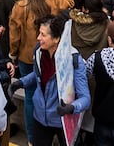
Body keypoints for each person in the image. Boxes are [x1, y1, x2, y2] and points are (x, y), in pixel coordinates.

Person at [18, 15, 91, 146]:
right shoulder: (39, 52)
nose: (38, 38)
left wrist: (71, 108)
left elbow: (85, 98)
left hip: (62, 122)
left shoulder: (74, 61)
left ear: (57, 39)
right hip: (40, 117)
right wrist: (21, 82)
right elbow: (38, 74)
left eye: (42, 34)